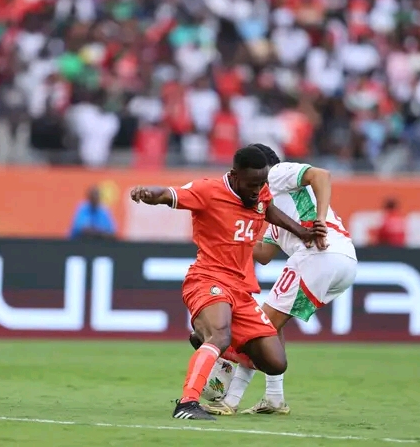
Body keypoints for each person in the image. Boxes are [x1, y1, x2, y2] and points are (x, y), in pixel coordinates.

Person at [130, 145, 326, 421]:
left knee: (275, 362)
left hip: (242, 290)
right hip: (207, 278)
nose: (257, 190)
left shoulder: (259, 192)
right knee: (220, 335)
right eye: (252, 184)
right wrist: (147, 193)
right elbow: (167, 194)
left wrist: (302, 232)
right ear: (234, 175)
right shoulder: (208, 191)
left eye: (262, 183)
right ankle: (187, 403)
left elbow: (268, 209)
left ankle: (208, 343)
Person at [202, 153, 358, 416]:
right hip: (344, 261)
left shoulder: (276, 173)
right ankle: (274, 398)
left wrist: (319, 220)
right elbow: (264, 255)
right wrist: (227, 235)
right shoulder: (273, 210)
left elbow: (321, 175)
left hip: (319, 254)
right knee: (270, 325)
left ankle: (230, 401)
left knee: (256, 330)